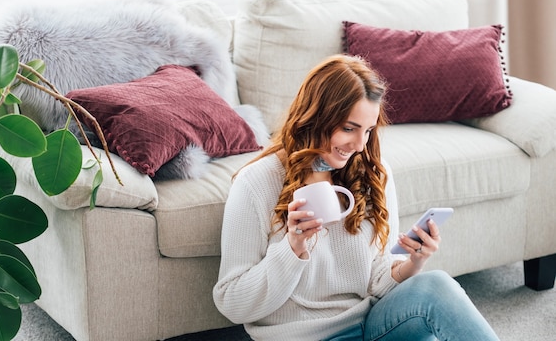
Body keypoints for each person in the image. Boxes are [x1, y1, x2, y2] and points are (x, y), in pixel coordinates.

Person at [212, 54, 499, 341]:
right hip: (306, 337)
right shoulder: (256, 183)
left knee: (435, 285)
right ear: (315, 117)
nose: (360, 145)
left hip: (371, 325)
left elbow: (376, 278)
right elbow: (232, 303)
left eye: (368, 130)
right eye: (349, 129)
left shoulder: (373, 173)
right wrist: (292, 247)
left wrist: (413, 263)